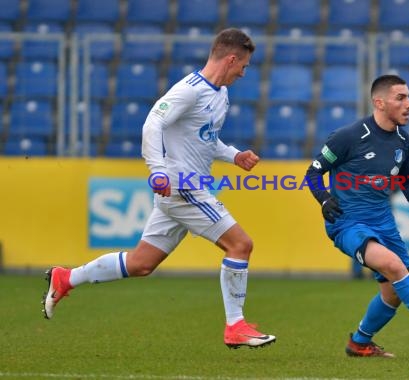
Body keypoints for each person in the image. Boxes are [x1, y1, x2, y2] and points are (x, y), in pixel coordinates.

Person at [42, 28, 276, 349]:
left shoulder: (220, 93)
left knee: (141, 264)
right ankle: (235, 325)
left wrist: (234, 155)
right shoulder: (189, 91)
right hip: (183, 188)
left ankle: (67, 278)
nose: (243, 73)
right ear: (231, 58)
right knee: (240, 245)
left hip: (182, 190)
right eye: (243, 66)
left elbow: (205, 140)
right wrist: (158, 171)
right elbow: (153, 123)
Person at [305, 74, 409, 357]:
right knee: (393, 266)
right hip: (348, 222)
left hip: (384, 222)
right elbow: (314, 172)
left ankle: (359, 342)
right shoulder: (348, 137)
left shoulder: (405, 142)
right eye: (401, 98)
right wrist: (324, 199)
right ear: (379, 102)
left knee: (393, 292)